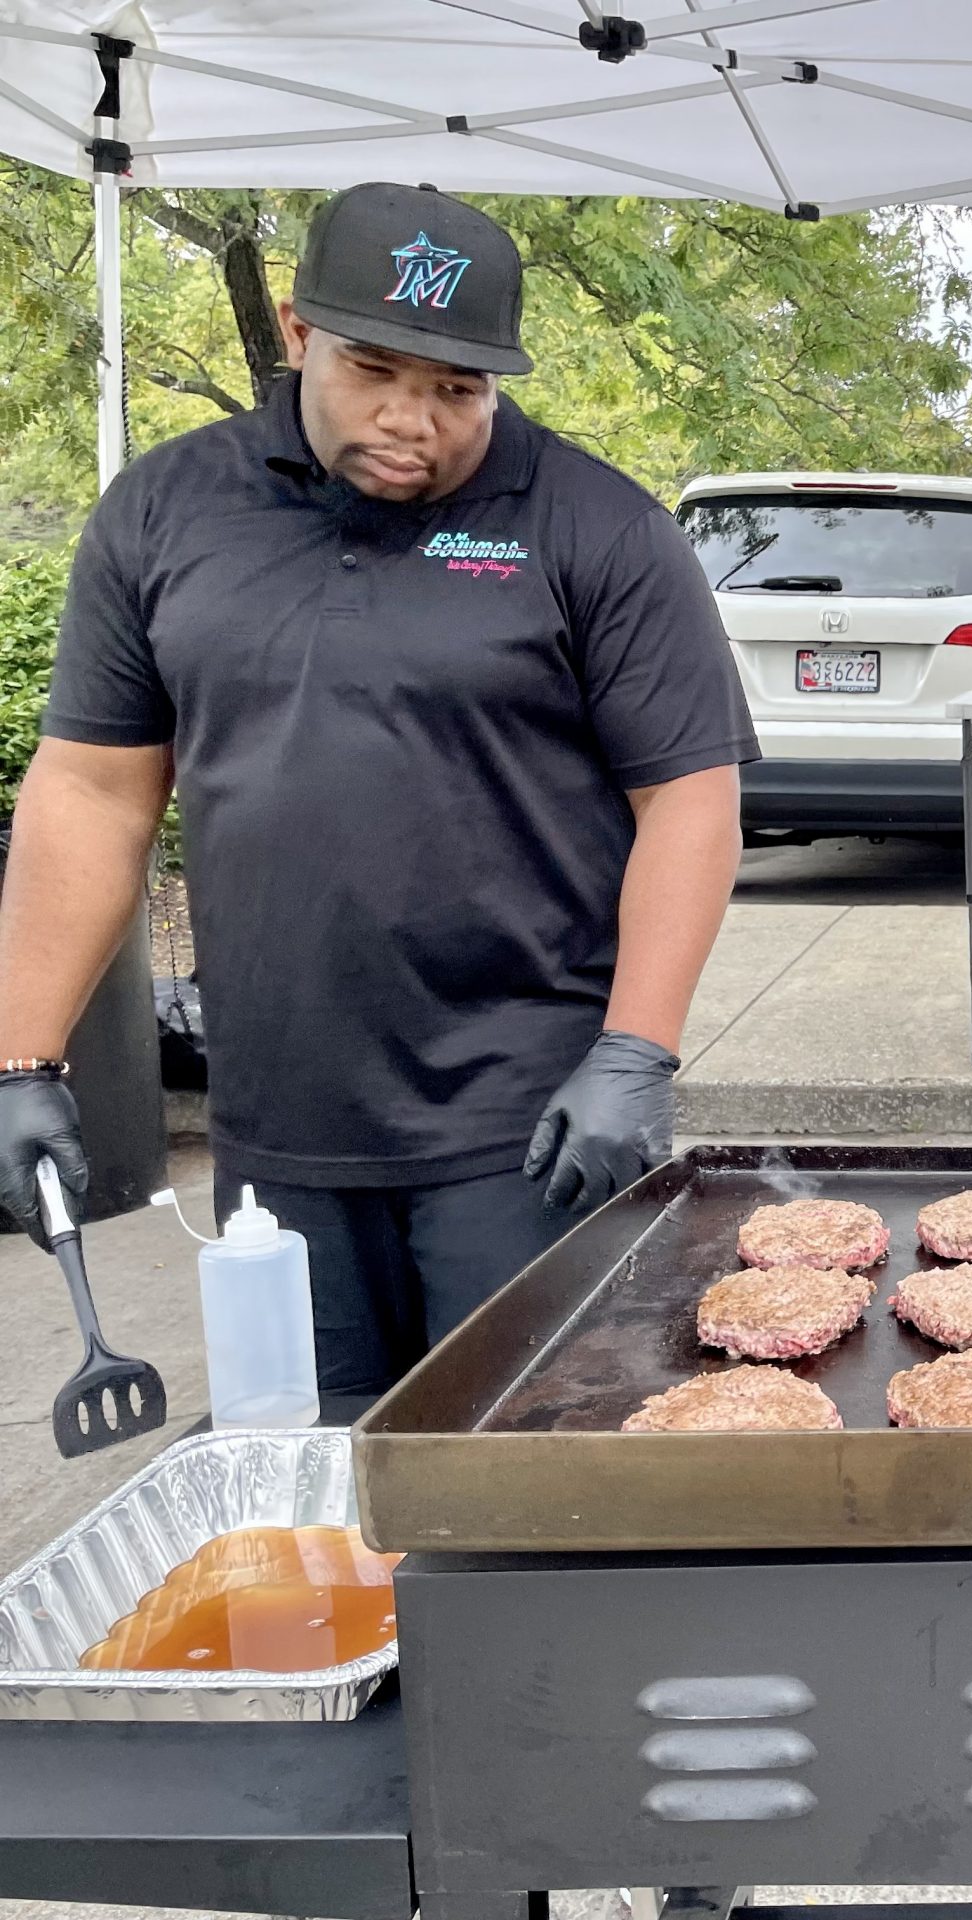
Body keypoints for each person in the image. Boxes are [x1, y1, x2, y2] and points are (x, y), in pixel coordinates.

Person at [0, 182, 755, 1397]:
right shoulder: (165, 510)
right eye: (374, 371)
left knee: (523, 1464)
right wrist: (24, 1062)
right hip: (278, 1125)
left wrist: (636, 1051)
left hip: (532, 1124)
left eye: (458, 388)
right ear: (297, 330)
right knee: (310, 1456)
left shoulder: (598, 527)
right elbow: (94, 791)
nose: (414, 419)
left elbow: (689, 798)